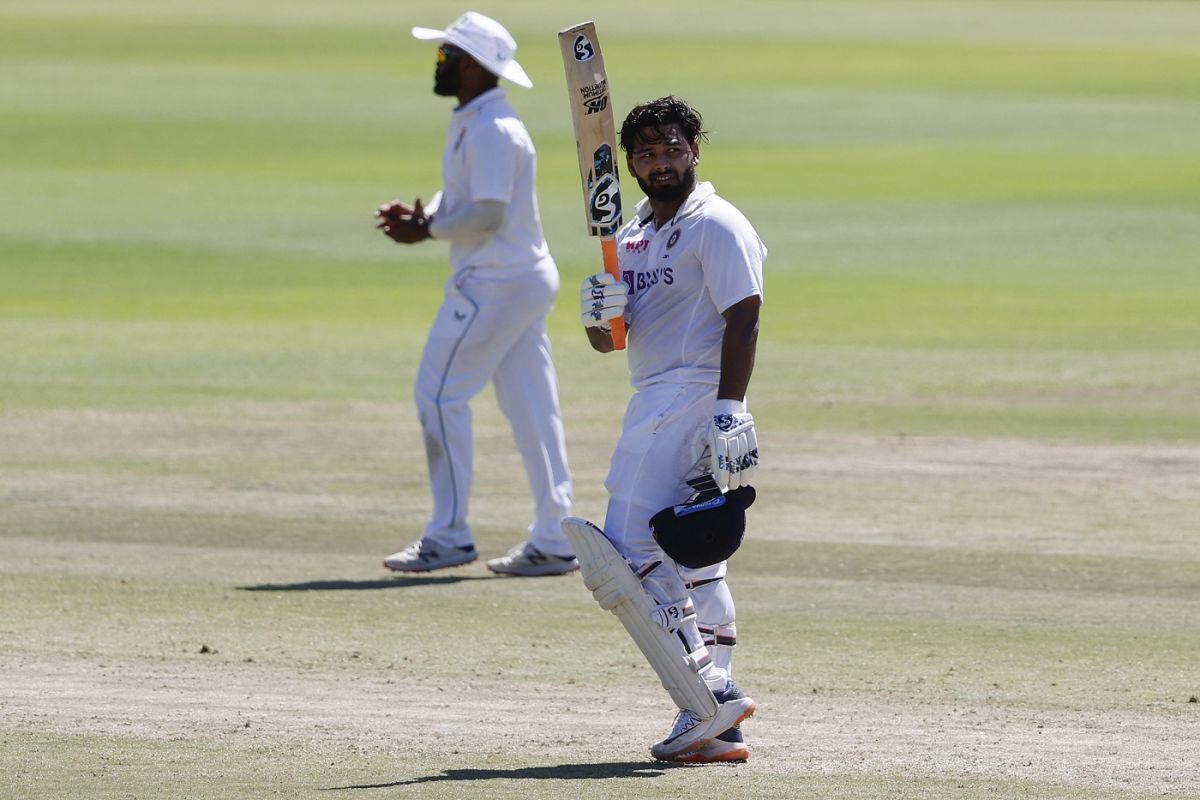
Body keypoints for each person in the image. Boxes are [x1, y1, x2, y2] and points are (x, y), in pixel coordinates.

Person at [574, 96, 766, 762]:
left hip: (695, 397)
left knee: (627, 549)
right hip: (651, 394)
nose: (661, 163)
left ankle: (706, 694)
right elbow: (611, 343)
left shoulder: (716, 224)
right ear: (628, 163)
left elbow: (745, 316)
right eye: (647, 153)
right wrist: (599, 315)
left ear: (695, 151)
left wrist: (729, 407)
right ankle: (722, 716)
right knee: (693, 557)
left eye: (673, 149)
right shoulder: (629, 234)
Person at [375, 12, 577, 577]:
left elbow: (487, 213)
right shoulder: (477, 118)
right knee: (533, 410)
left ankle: (449, 534)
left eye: (445, 55)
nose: (438, 63)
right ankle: (557, 538)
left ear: (471, 65)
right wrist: (431, 213)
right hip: (518, 278)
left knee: (438, 397)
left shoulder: (493, 128)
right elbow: (470, 195)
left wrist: (426, 231)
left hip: (496, 282)